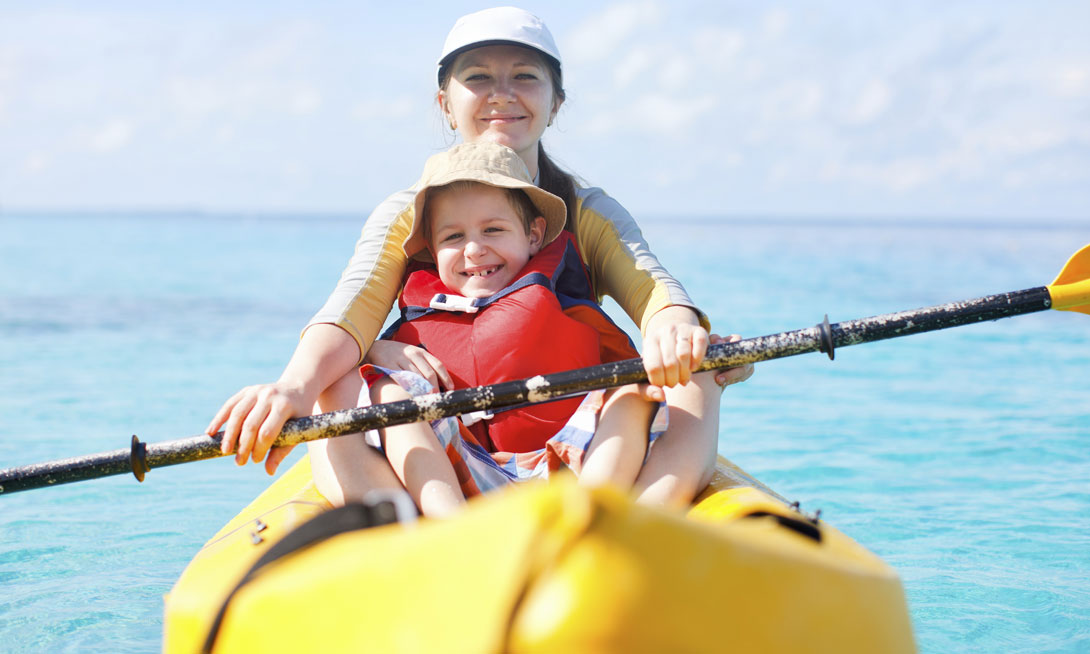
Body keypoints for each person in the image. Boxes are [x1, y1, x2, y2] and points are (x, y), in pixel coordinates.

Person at [206, 6, 753, 509]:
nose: (502, 94)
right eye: (477, 78)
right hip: (450, 444)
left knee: (695, 372)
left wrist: (677, 332)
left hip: (570, 441)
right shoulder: (408, 213)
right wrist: (297, 386)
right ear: (445, 102)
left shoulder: (586, 210)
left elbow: (653, 289)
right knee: (333, 388)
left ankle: (627, 522)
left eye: (524, 76)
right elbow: (350, 308)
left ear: (555, 102)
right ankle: (423, 531)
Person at [362, 141, 664, 517]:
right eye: (453, 237)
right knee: (385, 388)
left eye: (493, 229)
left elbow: (636, 370)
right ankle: (451, 530)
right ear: (433, 251)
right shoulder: (412, 328)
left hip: (570, 467)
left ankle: (591, 518)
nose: (473, 249)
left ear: (534, 236)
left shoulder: (562, 302)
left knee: (630, 392)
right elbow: (355, 371)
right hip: (464, 471)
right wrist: (374, 349)